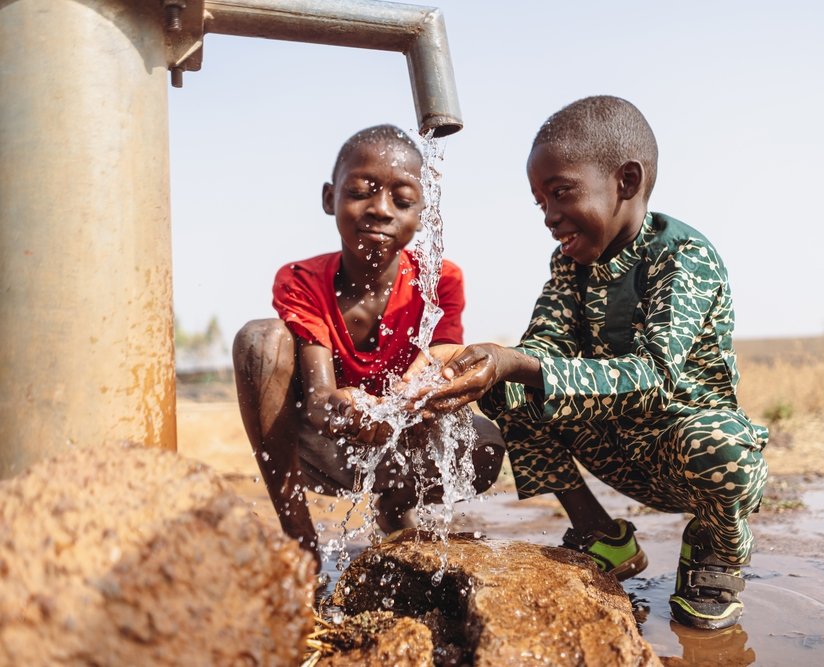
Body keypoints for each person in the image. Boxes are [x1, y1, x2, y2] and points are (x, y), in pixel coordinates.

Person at [406, 96, 768, 630]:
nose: (550, 216)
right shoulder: (569, 264)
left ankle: (716, 549)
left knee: (723, 448)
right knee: (509, 388)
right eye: (540, 202)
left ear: (625, 181)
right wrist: (470, 359)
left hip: (682, 448)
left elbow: (655, 378)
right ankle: (602, 535)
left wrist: (519, 364)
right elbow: (540, 350)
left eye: (560, 193)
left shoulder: (682, 257)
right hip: (616, 444)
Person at [232, 124, 505, 570]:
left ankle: (396, 508)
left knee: (486, 445)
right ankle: (300, 542)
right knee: (259, 339)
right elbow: (320, 398)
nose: (380, 209)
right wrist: (343, 406)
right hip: (325, 445)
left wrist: (407, 403)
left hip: (404, 441)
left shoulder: (440, 280)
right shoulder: (301, 279)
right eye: (361, 191)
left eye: (402, 199)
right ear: (328, 198)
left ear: (423, 213)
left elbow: (439, 361)